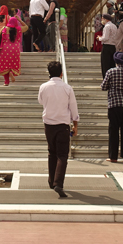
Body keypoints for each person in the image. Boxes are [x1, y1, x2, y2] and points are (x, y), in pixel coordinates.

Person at [38, 60, 79, 198]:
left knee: (52, 152)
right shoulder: (67, 88)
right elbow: (73, 107)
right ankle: (58, 183)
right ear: (61, 73)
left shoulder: (43, 87)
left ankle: (51, 180)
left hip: (48, 124)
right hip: (62, 124)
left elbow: (41, 101)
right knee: (62, 154)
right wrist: (75, 125)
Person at [0, 16, 23, 86]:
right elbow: (26, 27)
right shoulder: (18, 29)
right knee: (13, 63)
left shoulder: (4, 29)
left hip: (5, 48)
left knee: (5, 64)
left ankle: (6, 82)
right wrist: (19, 19)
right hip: (15, 49)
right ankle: (11, 72)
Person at [98, 14, 119, 79]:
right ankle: (112, 79)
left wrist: (99, 38)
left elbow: (105, 38)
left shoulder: (107, 26)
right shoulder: (114, 26)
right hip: (113, 46)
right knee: (112, 64)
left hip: (107, 46)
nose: (101, 20)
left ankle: (106, 79)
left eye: (102, 19)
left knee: (105, 64)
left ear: (105, 19)